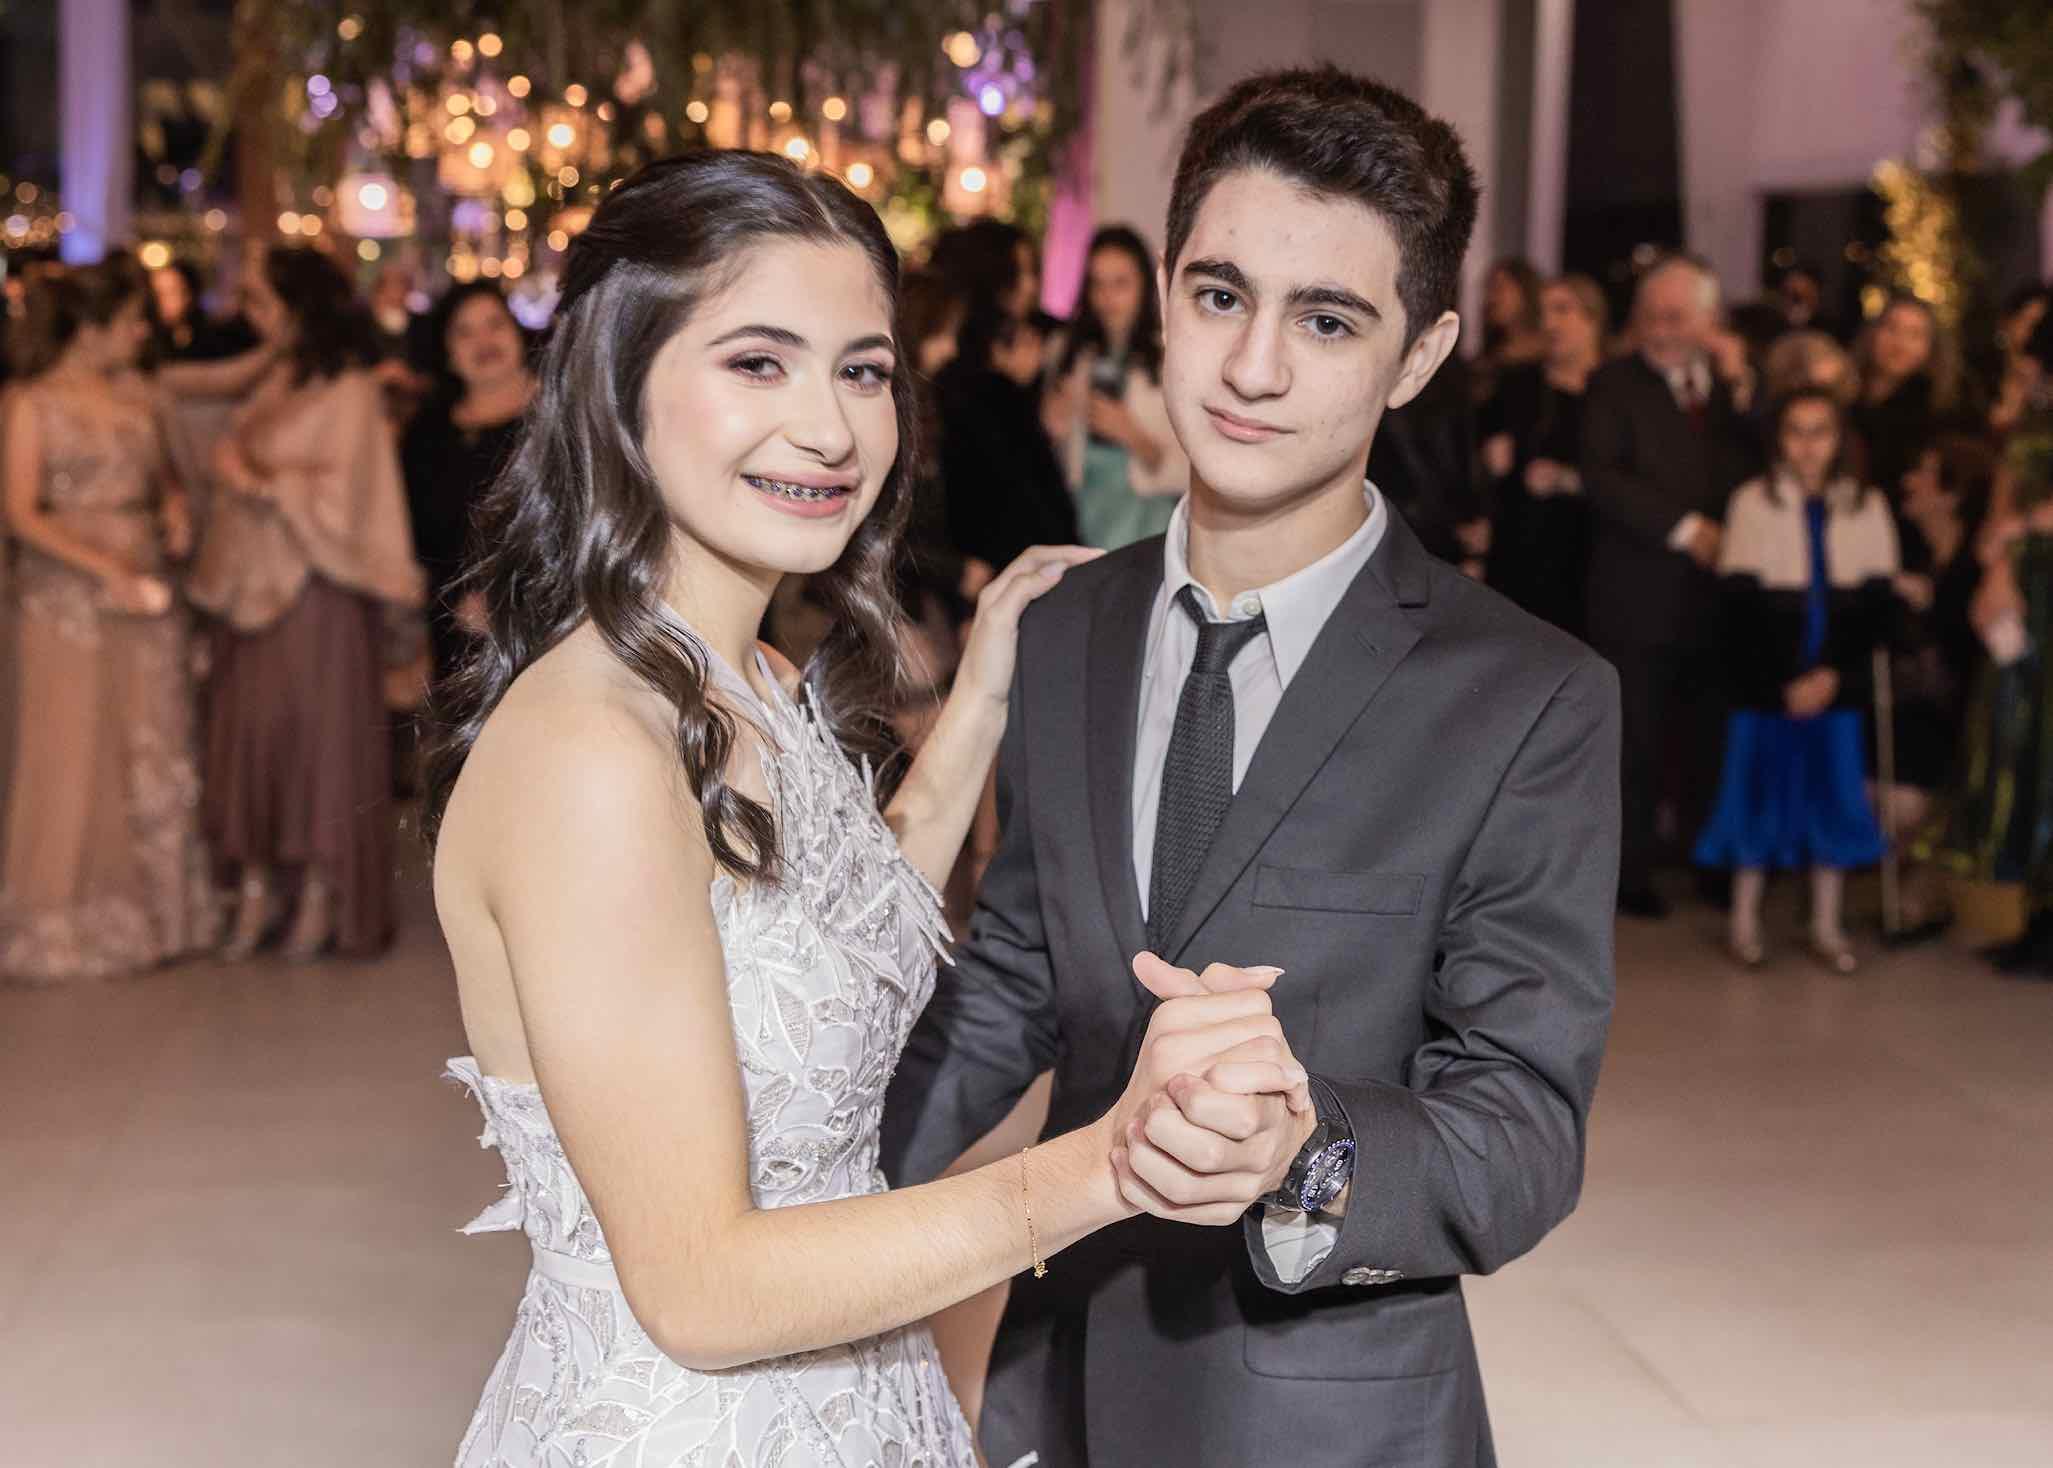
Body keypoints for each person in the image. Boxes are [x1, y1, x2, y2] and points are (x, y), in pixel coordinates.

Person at [424, 150, 1285, 1468]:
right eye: (758, 363)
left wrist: (980, 694)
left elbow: (831, 928)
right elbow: (703, 1291)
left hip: (855, 1397)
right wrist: (1110, 1162)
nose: (830, 429)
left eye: (863, 370)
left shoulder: (752, 677)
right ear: (616, 384)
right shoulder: (590, 754)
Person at [884, 68, 1620, 1468]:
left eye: (1326, 320)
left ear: (1419, 356)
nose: (1253, 366)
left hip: (1330, 1414)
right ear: (1165, 294)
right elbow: (1019, 981)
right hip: (1059, 1380)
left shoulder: (1525, 697)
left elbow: (1522, 1130)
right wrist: (815, 1209)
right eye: (1220, 295)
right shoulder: (1070, 626)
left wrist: (1301, 1152)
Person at [185, 245, 425, 963]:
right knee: (249, 741)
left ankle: (322, 892)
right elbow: (176, 392)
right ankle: (259, 887)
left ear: (300, 306)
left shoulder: (349, 389)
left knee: (314, 745)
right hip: (248, 588)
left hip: (319, 590)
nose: (250, 314)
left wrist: (258, 482)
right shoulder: (274, 378)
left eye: (262, 300)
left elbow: (346, 496)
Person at [0, 259, 219, 982]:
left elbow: (165, 483)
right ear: (90, 328)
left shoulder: (139, 397)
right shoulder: (32, 401)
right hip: (66, 599)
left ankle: (163, 915)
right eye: (129, 321)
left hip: (144, 586)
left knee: (149, 740)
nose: (139, 334)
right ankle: (70, 921)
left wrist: (175, 513)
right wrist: (105, 569)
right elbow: (20, 512)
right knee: (74, 748)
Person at [1582, 256, 1763, 918]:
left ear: (1710, 321)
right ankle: (1629, 873)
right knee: (1635, 741)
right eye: (1650, 315)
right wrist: (1688, 530)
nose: (1660, 330)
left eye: (1676, 317)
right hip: (1636, 598)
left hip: (1718, 602)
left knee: (1708, 737)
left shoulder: (1730, 388)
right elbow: (1602, 477)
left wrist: (1741, 383)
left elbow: (1767, 459)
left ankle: (1708, 857)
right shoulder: (1612, 384)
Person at [1693, 389, 1899, 970]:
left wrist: (1832, 674)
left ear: (1839, 440)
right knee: (1756, 797)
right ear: (1778, 440)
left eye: (1820, 432)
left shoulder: (1867, 505)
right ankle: (1743, 921)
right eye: (1796, 431)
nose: (1808, 446)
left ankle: (1827, 925)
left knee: (1835, 799)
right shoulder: (1751, 503)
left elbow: (1878, 609)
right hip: (1768, 686)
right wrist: (1783, 682)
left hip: (1835, 683)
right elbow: (1738, 611)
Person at [400, 280, 535, 684]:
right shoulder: (426, 435)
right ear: (448, 354)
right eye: (465, 332)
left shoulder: (562, 416)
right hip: (459, 643)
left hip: (555, 631)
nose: (484, 341)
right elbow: (415, 541)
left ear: (517, 332)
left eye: (495, 324)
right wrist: (453, 600)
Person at [1044, 225, 1188, 550]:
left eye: (1121, 283)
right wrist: (1052, 427)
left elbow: (1193, 468)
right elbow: (1055, 455)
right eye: (1097, 283)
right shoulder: (1067, 352)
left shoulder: (1171, 356)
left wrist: (1132, 435)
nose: (1107, 297)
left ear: (1145, 285)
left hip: (1147, 521)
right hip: (1081, 516)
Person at [1481, 273, 1606, 635]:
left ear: (1593, 319)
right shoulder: (1518, 383)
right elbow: (1478, 454)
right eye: (1544, 312)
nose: (1549, 322)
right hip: (1521, 552)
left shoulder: (1617, 390)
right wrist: (1489, 461)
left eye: (1562, 310)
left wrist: (1570, 480)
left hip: (1593, 555)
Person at [1850, 293, 1965, 532]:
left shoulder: (1936, 416)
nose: (1899, 343)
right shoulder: (1844, 398)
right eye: (1891, 328)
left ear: (1930, 349)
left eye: (1915, 335)